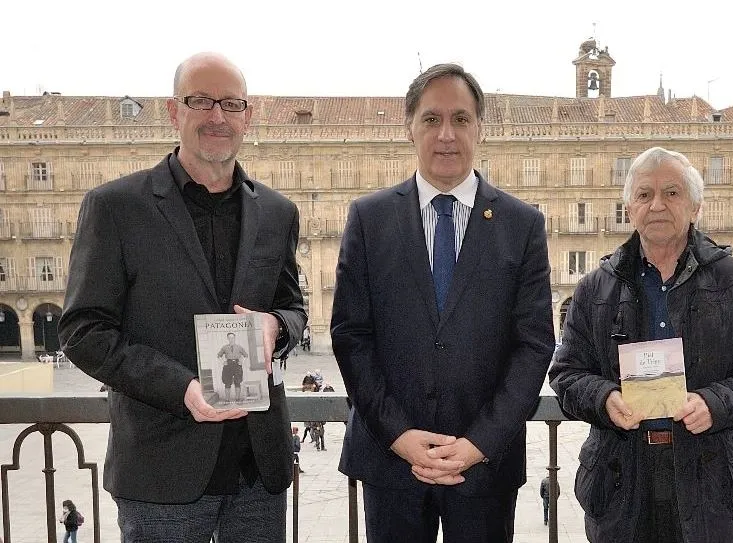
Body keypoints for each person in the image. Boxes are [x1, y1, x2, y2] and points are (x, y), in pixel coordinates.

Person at [58, 52, 307, 542]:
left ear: (246, 116)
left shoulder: (278, 212)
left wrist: (278, 326)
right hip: (160, 473)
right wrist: (181, 389)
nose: (217, 116)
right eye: (201, 101)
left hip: (258, 471)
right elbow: (82, 330)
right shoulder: (115, 207)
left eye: (231, 103)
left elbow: (293, 305)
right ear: (175, 112)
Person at [331, 63, 555, 543]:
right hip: (392, 467)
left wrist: (479, 443)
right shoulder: (369, 219)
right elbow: (351, 337)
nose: (447, 134)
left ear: (480, 128)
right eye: (431, 119)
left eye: (461, 119)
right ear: (409, 127)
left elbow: (534, 346)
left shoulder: (522, 225)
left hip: (483, 470)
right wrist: (399, 436)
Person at [548, 147, 733, 542]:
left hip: (712, 477)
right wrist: (605, 398)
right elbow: (566, 373)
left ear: (695, 206)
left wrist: (716, 403)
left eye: (672, 193)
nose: (657, 204)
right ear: (629, 207)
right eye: (644, 195)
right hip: (622, 478)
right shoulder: (595, 288)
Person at [218, 332, 249, 403]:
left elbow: (246, 355)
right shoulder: (224, 347)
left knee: (237, 382)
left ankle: (237, 399)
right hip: (228, 366)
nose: (231, 339)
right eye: (229, 338)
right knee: (227, 383)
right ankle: (227, 400)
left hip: (237, 365)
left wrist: (242, 362)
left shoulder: (239, 347)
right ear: (227, 338)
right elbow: (219, 355)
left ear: (234, 338)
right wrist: (223, 362)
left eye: (232, 337)